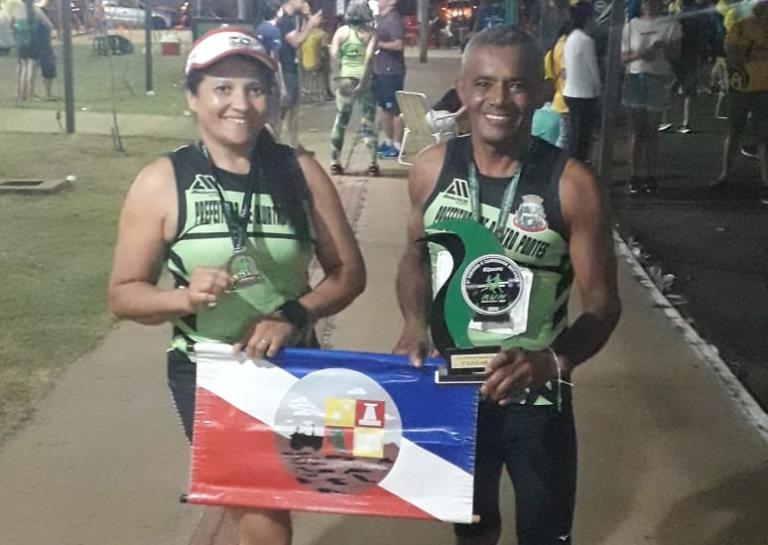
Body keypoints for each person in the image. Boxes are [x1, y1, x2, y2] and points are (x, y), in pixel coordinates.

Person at [107, 28, 366, 545]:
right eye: (222, 88)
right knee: (266, 520)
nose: (240, 104)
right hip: (209, 375)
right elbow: (123, 294)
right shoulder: (162, 181)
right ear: (192, 97)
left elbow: (349, 274)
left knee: (297, 498)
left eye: (255, 89)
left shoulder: (301, 171)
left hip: (296, 367)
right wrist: (183, 297)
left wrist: (293, 315)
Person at [394, 26, 621, 545]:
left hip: (537, 391)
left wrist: (551, 361)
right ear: (462, 90)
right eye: (484, 84)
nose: (499, 99)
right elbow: (413, 257)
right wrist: (412, 326)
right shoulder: (430, 171)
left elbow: (604, 306)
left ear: (541, 92)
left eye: (517, 85)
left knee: (544, 533)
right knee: (473, 528)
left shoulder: (572, 185)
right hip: (457, 386)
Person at [621, 0, 682, 194]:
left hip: (658, 77)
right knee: (636, 131)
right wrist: (639, 54)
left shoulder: (671, 24)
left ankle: (650, 175)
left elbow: (676, 55)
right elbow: (622, 57)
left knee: (651, 130)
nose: (648, 4)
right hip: (635, 77)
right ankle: (634, 175)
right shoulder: (631, 26)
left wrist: (663, 49)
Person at [711, 0, 768, 202]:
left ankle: (764, 179)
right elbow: (732, 51)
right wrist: (755, 54)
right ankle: (725, 173)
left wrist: (749, 52)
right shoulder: (740, 25)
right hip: (742, 84)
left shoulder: (742, 27)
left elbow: (736, 51)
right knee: (735, 131)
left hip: (759, 86)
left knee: (762, 135)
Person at [328, 0, 380, 176]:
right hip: (365, 80)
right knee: (368, 122)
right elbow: (369, 59)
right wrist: (363, 82)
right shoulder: (371, 34)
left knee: (341, 120)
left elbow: (334, 55)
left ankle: (335, 162)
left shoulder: (341, 32)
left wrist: (340, 73)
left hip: (345, 79)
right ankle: (373, 164)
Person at [277, 0, 323, 148]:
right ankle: (277, 141)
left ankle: (293, 143)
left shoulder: (292, 19)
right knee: (285, 108)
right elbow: (296, 41)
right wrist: (310, 25)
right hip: (286, 68)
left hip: (292, 66)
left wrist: (307, 19)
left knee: (294, 108)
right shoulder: (284, 20)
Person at [658, 0, 708, 133]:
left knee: (669, 88)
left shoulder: (673, 17)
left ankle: (664, 120)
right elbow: (703, 36)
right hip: (691, 54)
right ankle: (686, 123)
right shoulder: (699, 16)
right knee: (689, 90)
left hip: (675, 56)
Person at [563, 1, 601, 161]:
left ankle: (571, 164)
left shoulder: (570, 38)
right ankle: (579, 167)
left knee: (574, 136)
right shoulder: (586, 40)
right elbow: (593, 69)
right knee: (583, 137)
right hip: (584, 94)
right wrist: (599, 89)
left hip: (570, 92)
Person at [372, 0, 406, 159]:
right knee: (384, 107)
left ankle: (397, 145)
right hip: (381, 70)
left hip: (391, 71)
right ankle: (388, 141)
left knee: (395, 109)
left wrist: (377, 44)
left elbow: (398, 44)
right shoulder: (382, 18)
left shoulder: (393, 19)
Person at [255, 0, 287, 136]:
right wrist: (282, 85)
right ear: (277, 12)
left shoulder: (259, 28)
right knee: (274, 116)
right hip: (270, 77)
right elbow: (275, 59)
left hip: (258, 75)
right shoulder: (274, 31)